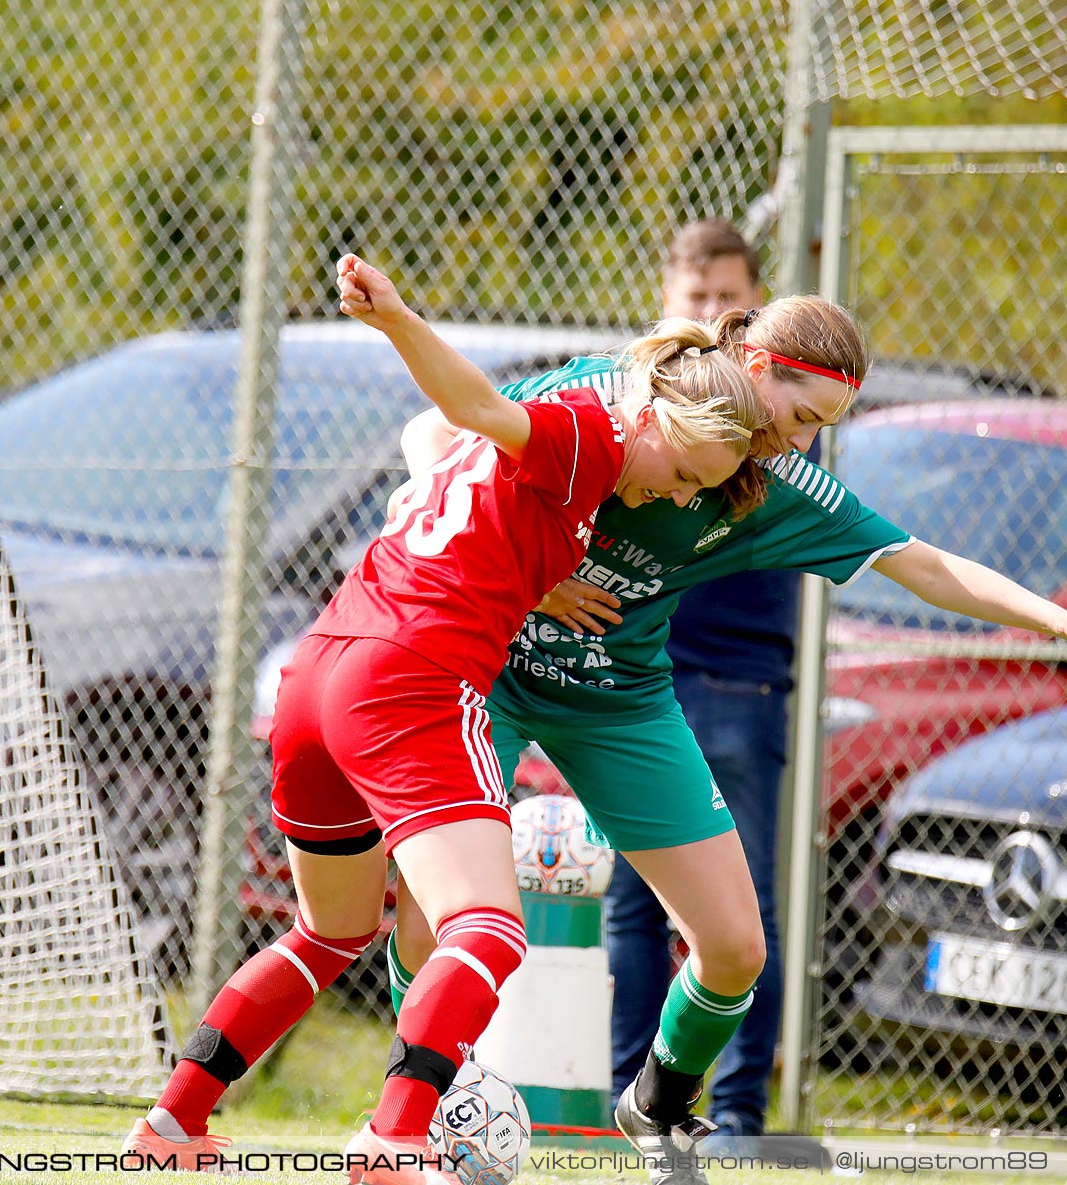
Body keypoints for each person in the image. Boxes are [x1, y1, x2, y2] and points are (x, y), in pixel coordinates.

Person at [387, 299, 1067, 1184]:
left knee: (734, 949)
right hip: (493, 673)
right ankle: (422, 1117)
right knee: (437, 919)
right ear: (755, 369)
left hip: (618, 701)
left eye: (822, 429)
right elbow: (432, 430)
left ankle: (657, 1107)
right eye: (800, 419)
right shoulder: (613, 399)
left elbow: (922, 561)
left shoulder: (778, 486)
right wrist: (530, 565)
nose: (801, 443)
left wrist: (1062, 621)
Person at [120, 254, 769, 1183]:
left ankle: (172, 1127)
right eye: (682, 470)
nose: (674, 494)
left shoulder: (589, 455)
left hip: (321, 670)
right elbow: (471, 404)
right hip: (412, 681)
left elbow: (456, 460)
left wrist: (549, 586)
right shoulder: (592, 436)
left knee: (329, 928)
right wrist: (396, 320)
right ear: (656, 415)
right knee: (491, 929)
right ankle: (391, 1146)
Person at [618, 218, 790, 1142]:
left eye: (731, 298)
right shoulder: (635, 404)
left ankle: (734, 1115)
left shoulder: (777, 421)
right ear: (668, 306)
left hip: (737, 681)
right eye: (697, 300)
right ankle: (633, 1096)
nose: (715, 314)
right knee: (631, 906)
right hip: (631, 681)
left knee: (740, 911)